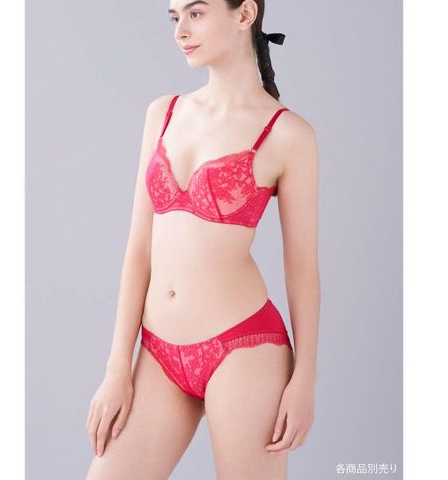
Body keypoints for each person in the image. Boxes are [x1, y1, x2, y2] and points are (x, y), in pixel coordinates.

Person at [85, 1, 320, 478]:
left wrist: (304, 380)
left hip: (244, 349)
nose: (180, 31)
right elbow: (139, 250)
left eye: (195, 13)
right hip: (158, 352)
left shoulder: (287, 134)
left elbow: (302, 269)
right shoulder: (164, 113)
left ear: (244, 14)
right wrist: (117, 367)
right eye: (175, 18)